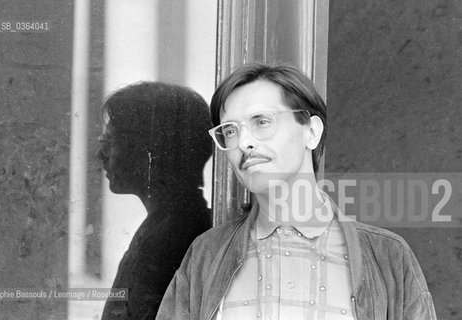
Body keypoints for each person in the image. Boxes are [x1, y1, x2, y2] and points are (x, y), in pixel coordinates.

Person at [155, 63, 437, 320]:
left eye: (261, 121)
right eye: (230, 130)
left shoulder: (388, 257)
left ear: (311, 132)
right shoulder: (206, 254)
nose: (244, 142)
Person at [96, 82, 213, 320]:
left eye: (110, 142)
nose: (100, 155)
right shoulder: (172, 226)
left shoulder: (172, 238)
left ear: (151, 151)